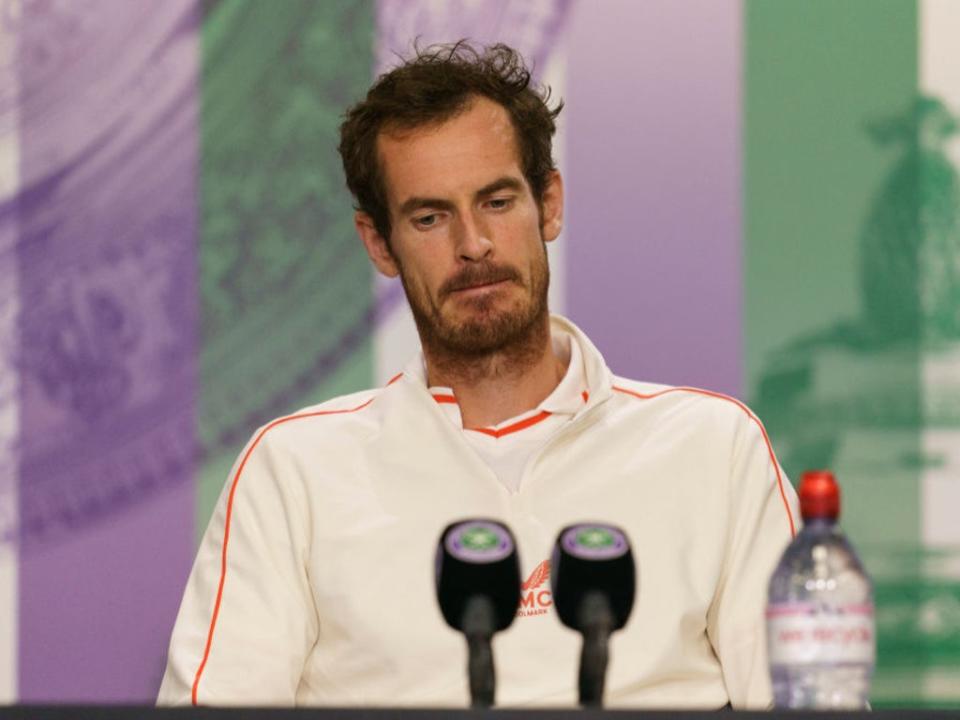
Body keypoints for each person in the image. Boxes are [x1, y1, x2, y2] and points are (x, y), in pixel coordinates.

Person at [158, 41, 799, 709]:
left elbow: (808, 703)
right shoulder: (293, 471)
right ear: (379, 243)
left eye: (496, 201)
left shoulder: (714, 447)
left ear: (548, 203)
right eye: (430, 217)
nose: (473, 244)